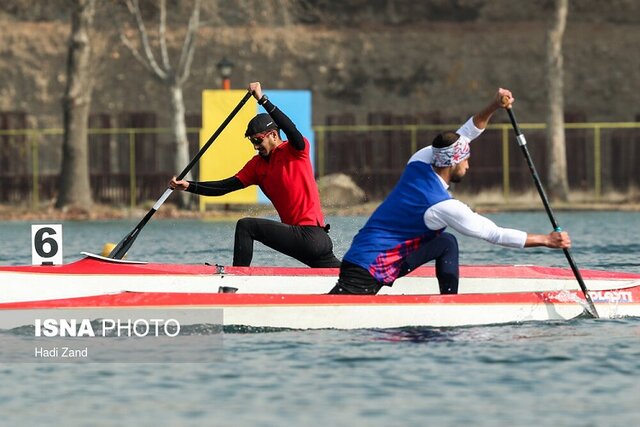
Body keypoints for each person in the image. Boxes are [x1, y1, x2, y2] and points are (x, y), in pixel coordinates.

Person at [329, 88, 572, 295]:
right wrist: (546, 240)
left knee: (445, 242)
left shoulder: (421, 160)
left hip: (362, 257)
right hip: (367, 269)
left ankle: (448, 301)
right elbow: (493, 234)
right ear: (453, 163)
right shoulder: (441, 205)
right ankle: (450, 305)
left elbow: (468, 131)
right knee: (446, 242)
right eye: (465, 160)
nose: (468, 165)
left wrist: (494, 106)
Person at [170, 82, 341, 268]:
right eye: (252, 142)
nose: (255, 146)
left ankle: (238, 279)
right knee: (347, 279)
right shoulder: (256, 166)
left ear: (274, 135)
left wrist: (262, 99)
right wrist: (188, 186)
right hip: (310, 242)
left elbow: (290, 128)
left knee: (246, 226)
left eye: (258, 140)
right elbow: (224, 187)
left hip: (311, 236)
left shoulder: (296, 151)